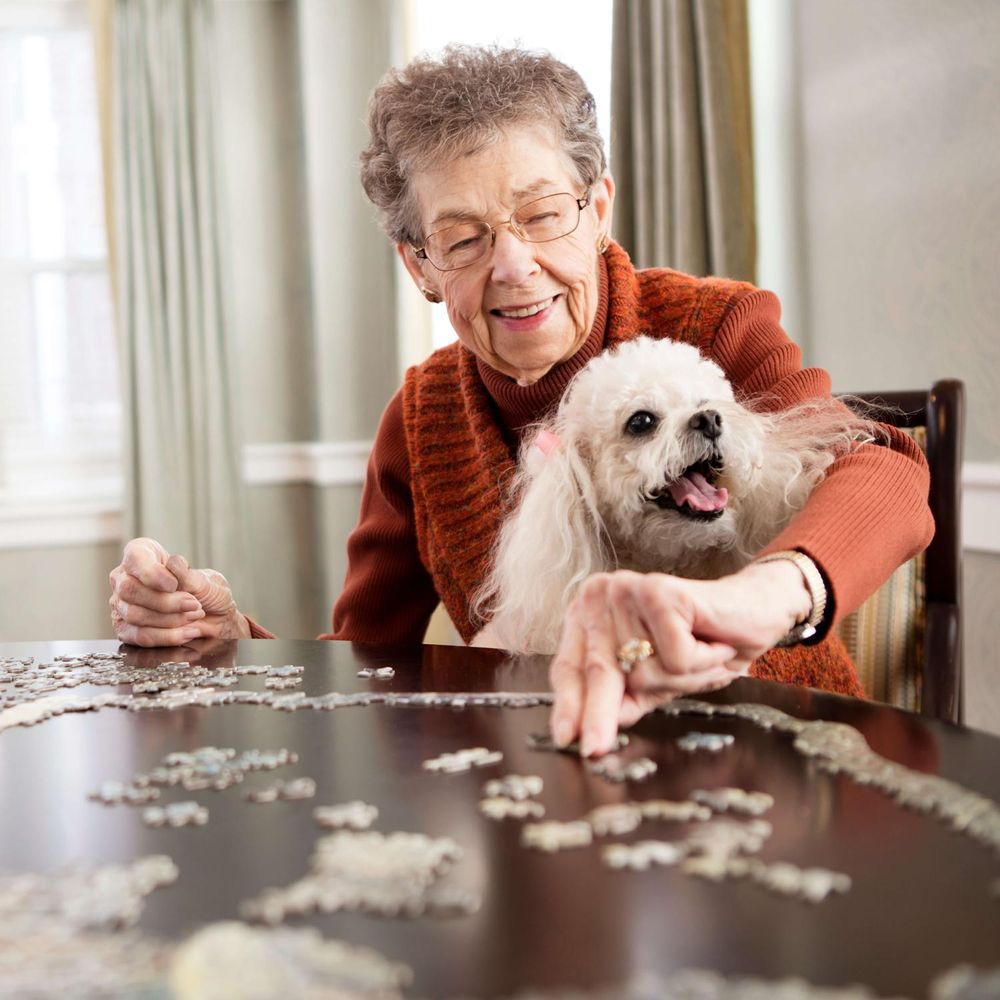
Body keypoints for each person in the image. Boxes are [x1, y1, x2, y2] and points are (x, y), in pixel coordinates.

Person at [109, 45, 933, 757]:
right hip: (558, 777)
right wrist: (227, 644)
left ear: (599, 209)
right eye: (464, 240)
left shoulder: (715, 322)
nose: (514, 266)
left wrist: (759, 597)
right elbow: (363, 665)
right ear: (420, 267)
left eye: (542, 215)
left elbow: (883, 471)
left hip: (783, 753)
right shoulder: (419, 418)